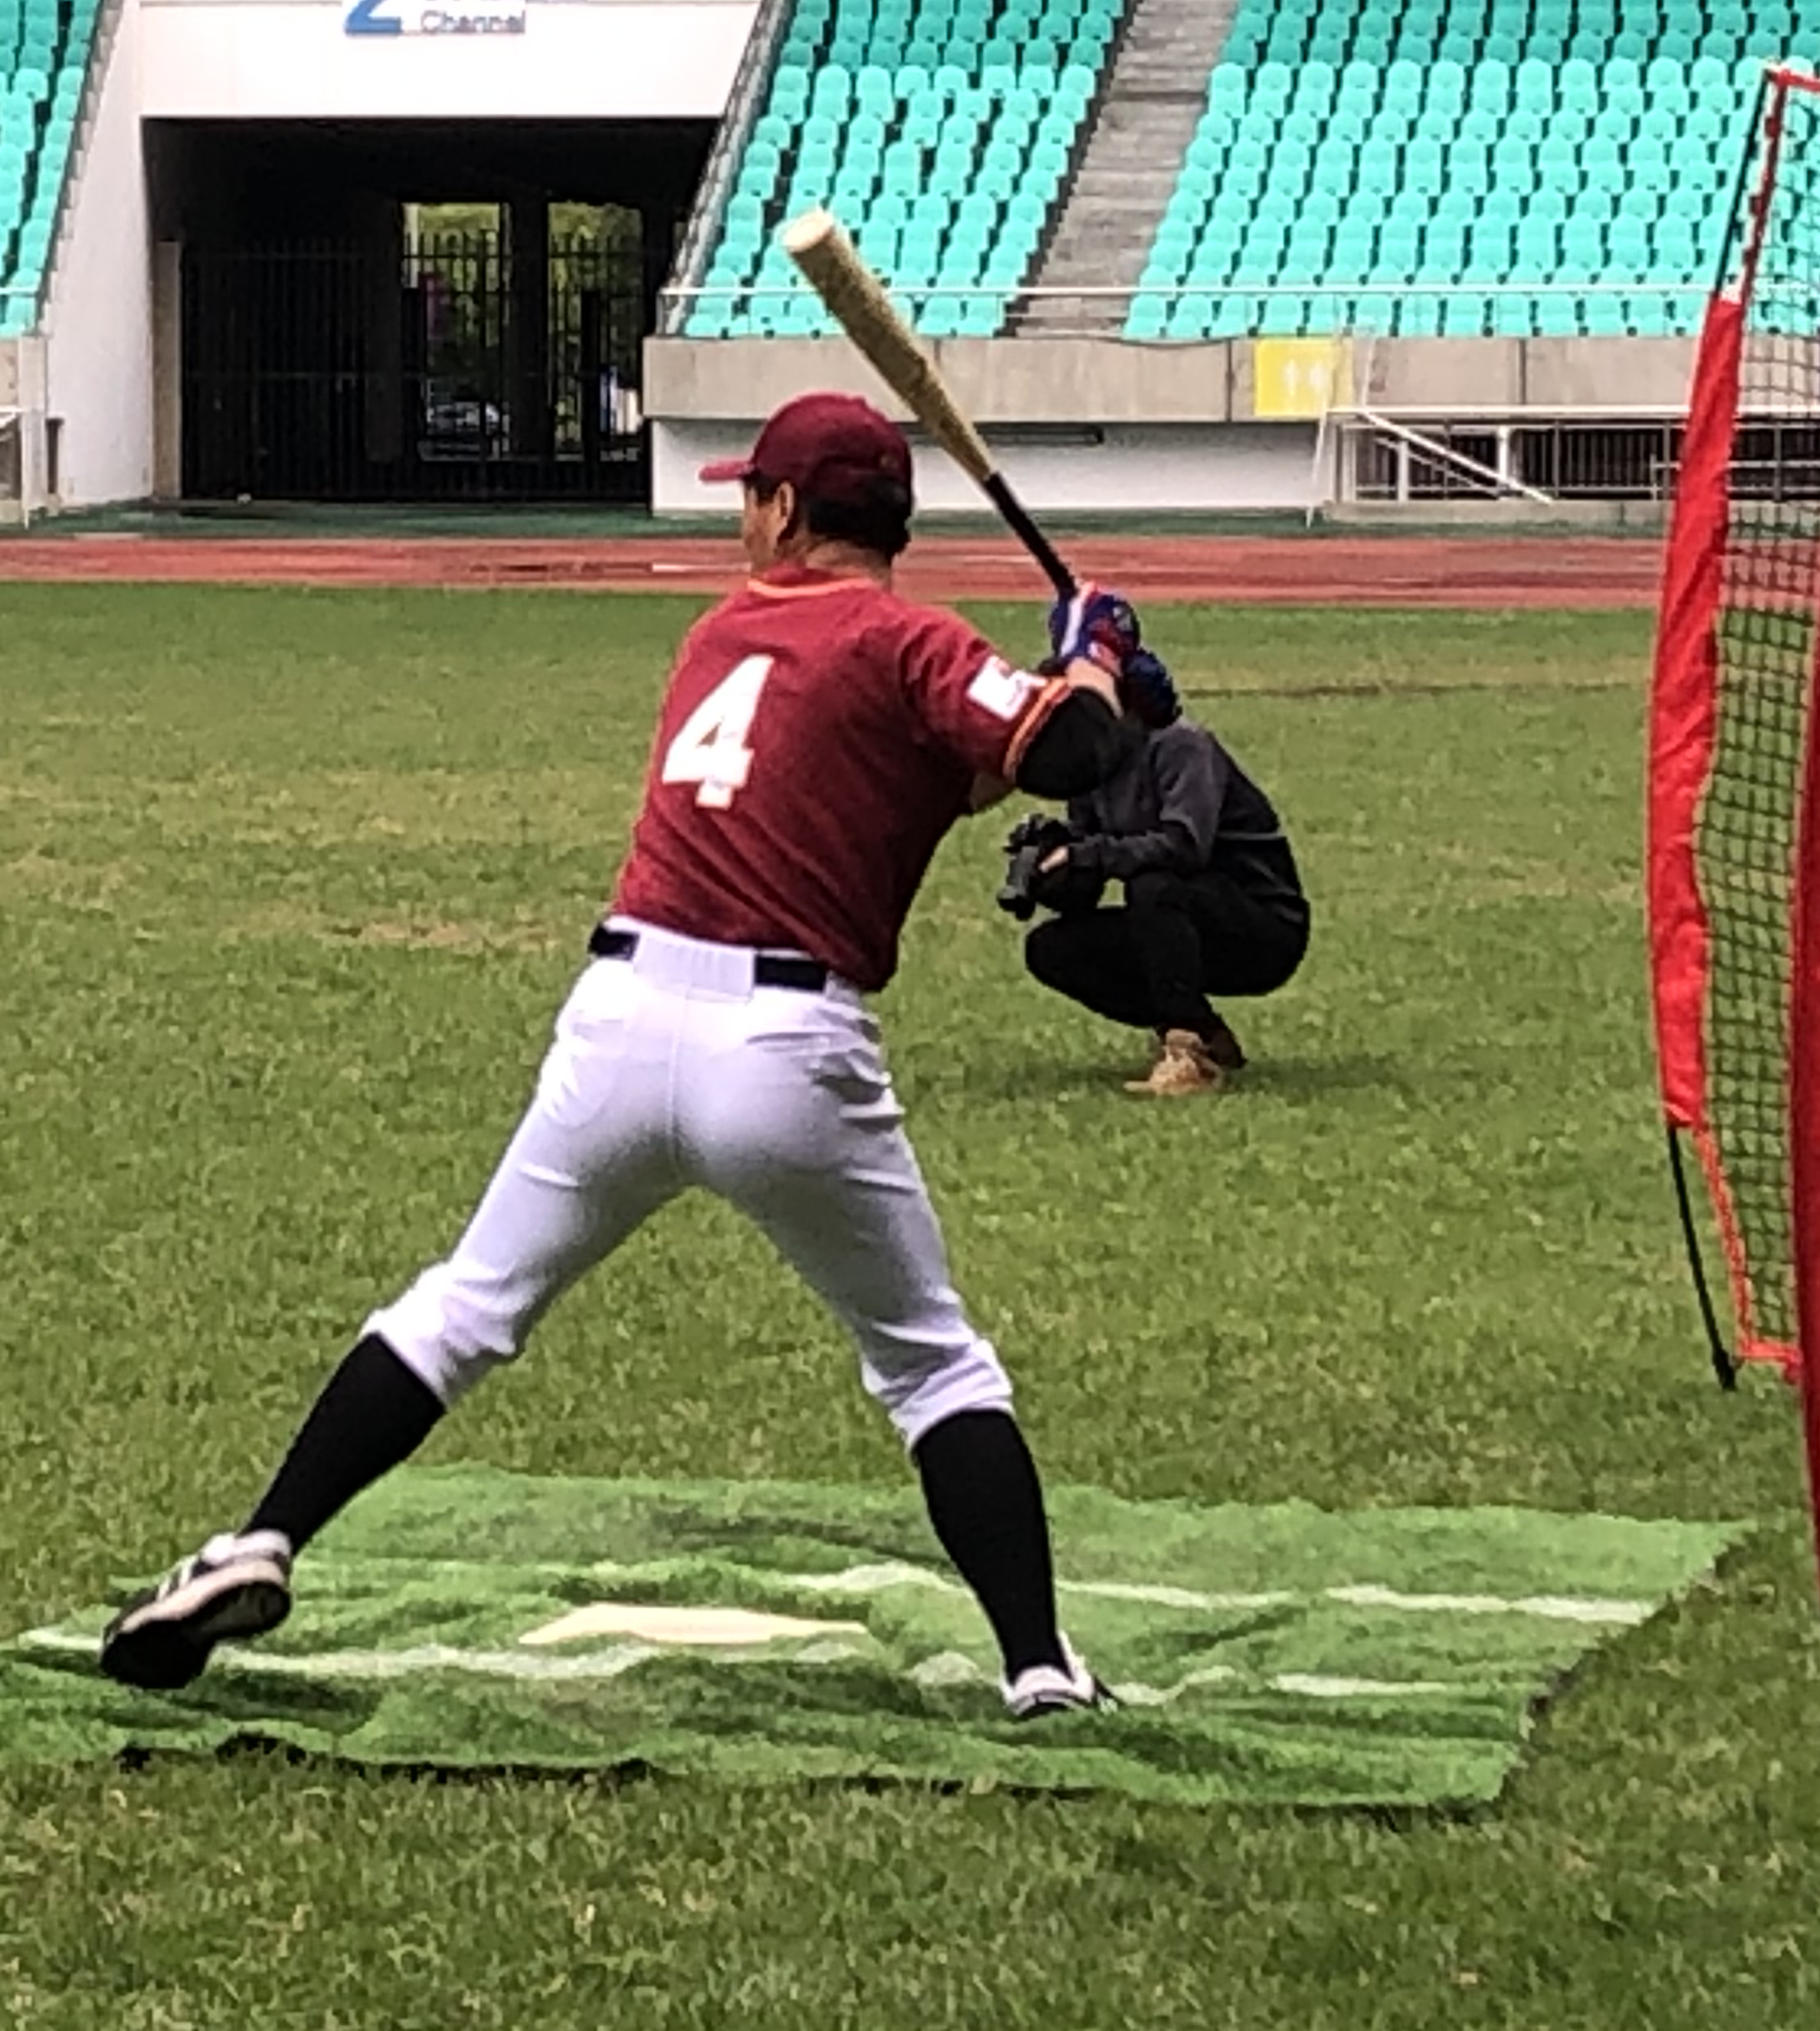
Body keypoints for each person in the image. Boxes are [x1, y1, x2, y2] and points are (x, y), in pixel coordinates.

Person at [102, 391, 1148, 1718]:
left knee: (463, 1310)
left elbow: (984, 761)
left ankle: (260, 1540)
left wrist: (1092, 700)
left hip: (622, 1019)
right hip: (787, 1049)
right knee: (933, 1366)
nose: (738, 517)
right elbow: (1059, 749)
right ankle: (1041, 1668)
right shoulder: (907, 640)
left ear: (786, 512)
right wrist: (1097, 666)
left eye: (749, 497)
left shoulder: (725, 634)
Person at [1005, 642, 1307, 1098]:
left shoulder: (1181, 745)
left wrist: (1090, 855)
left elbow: (1184, 846)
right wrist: (1054, 869)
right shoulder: (1091, 769)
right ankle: (1205, 1030)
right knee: (1052, 949)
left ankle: (1189, 1054)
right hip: (1177, 922)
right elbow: (1089, 883)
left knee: (1155, 886)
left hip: (1263, 926)